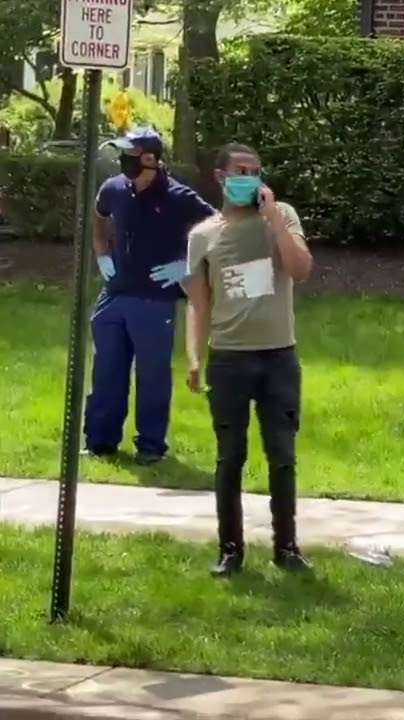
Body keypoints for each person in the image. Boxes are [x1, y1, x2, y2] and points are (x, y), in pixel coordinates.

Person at [182, 143, 314, 577]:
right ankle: (230, 549)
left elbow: (300, 269)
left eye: (256, 171)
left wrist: (274, 218)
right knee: (230, 456)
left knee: (282, 454)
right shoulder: (203, 235)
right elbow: (198, 304)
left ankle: (287, 547)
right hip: (230, 359)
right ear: (221, 177)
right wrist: (194, 358)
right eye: (241, 170)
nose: (251, 178)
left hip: (279, 356)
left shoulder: (283, 216)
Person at [83, 126, 215, 464]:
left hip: (155, 301)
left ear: (150, 159)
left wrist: (185, 265)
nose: (122, 161)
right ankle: (100, 442)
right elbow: (99, 219)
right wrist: (102, 253)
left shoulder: (178, 197)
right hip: (114, 295)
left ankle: (151, 447)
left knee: (153, 376)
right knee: (106, 370)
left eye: (129, 155)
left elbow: (220, 231)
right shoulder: (113, 189)